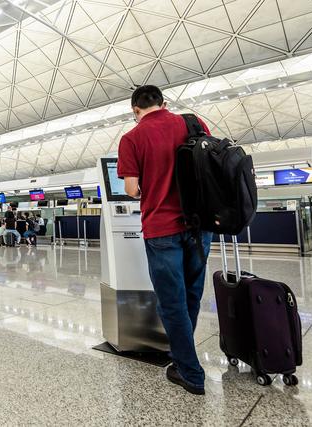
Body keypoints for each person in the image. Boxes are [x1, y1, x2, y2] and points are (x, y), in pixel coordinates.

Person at [118, 85, 212, 395]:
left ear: (135, 110)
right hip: (200, 226)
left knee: (172, 303)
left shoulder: (132, 138)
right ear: (164, 103)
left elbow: (132, 189)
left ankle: (190, 372)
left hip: (162, 229)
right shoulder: (193, 123)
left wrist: (153, 187)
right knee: (191, 295)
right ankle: (182, 355)